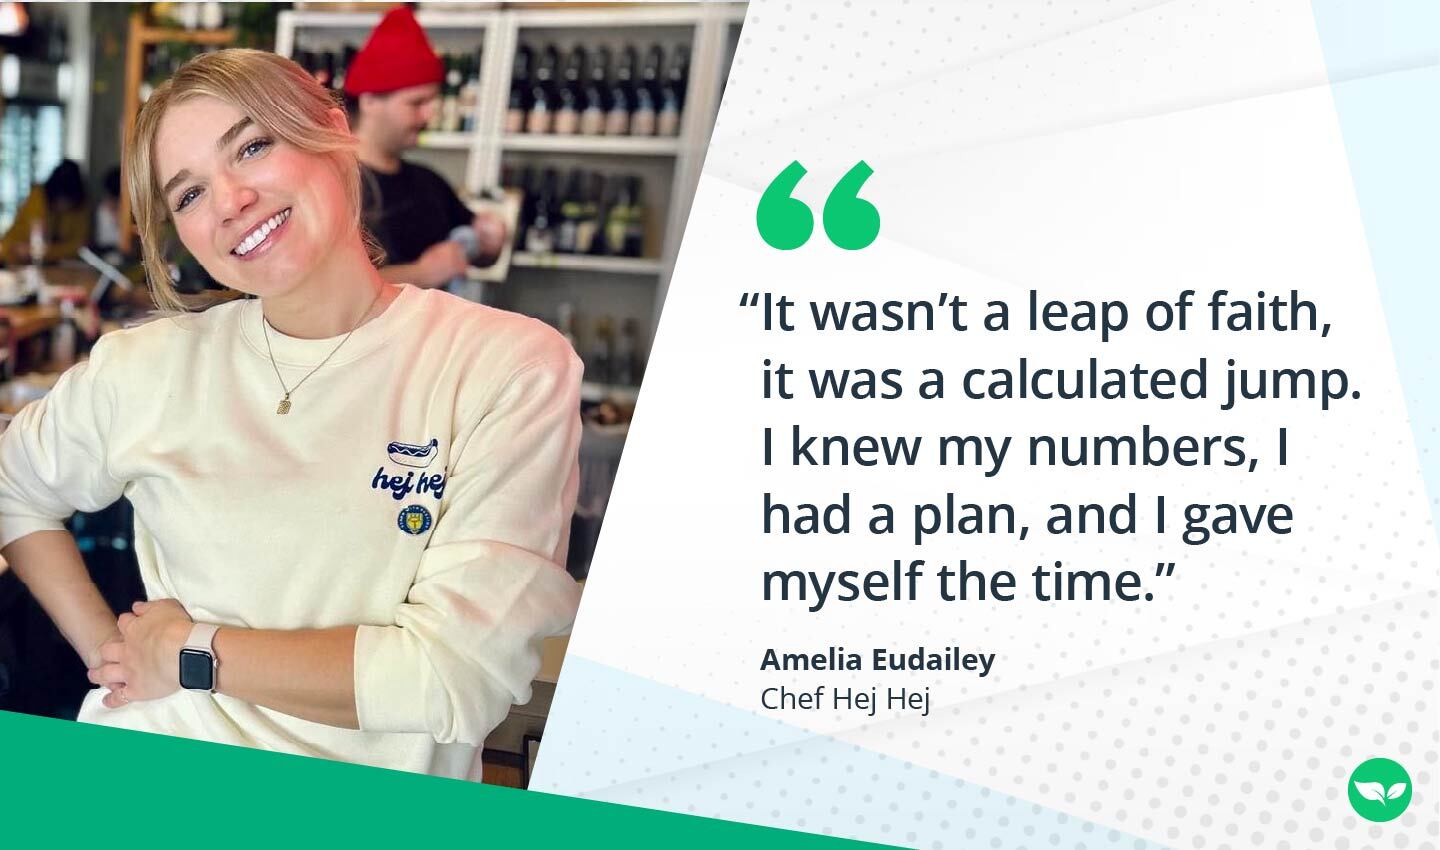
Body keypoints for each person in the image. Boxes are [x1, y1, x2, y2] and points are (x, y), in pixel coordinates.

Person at [0, 48, 583, 779]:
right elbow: (12, 484)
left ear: (330, 134)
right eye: (187, 196)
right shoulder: (146, 365)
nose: (230, 200)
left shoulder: (506, 366)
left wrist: (193, 654)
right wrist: (108, 655)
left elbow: (451, 677)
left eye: (252, 146)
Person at [344, 6, 507, 288]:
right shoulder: (334, 183)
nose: (429, 115)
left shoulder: (428, 182)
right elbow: (331, 290)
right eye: (416, 103)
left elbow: (474, 252)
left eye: (432, 102)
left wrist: (489, 242)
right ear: (369, 101)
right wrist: (423, 273)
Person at [0, 160, 90, 265]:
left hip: (49, 266)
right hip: (10, 258)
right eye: (60, 199)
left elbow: (79, 247)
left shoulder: (80, 206)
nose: (63, 205)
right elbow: (36, 246)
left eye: (67, 201)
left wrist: (46, 252)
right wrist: (53, 251)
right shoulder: (38, 197)